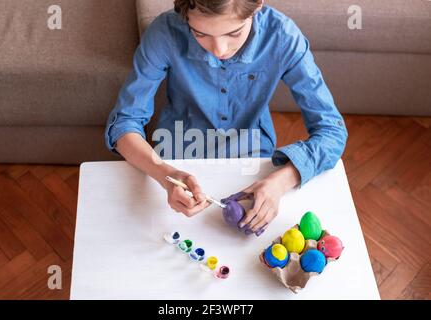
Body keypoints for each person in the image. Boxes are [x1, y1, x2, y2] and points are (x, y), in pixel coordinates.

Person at [104, 0, 348, 234]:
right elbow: (124, 123)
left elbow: (332, 130)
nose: (219, 50)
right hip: (177, 149)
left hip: (252, 153)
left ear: (258, 5)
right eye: (200, 34)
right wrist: (164, 175)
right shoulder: (164, 33)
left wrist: (282, 181)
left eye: (234, 33)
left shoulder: (282, 36)